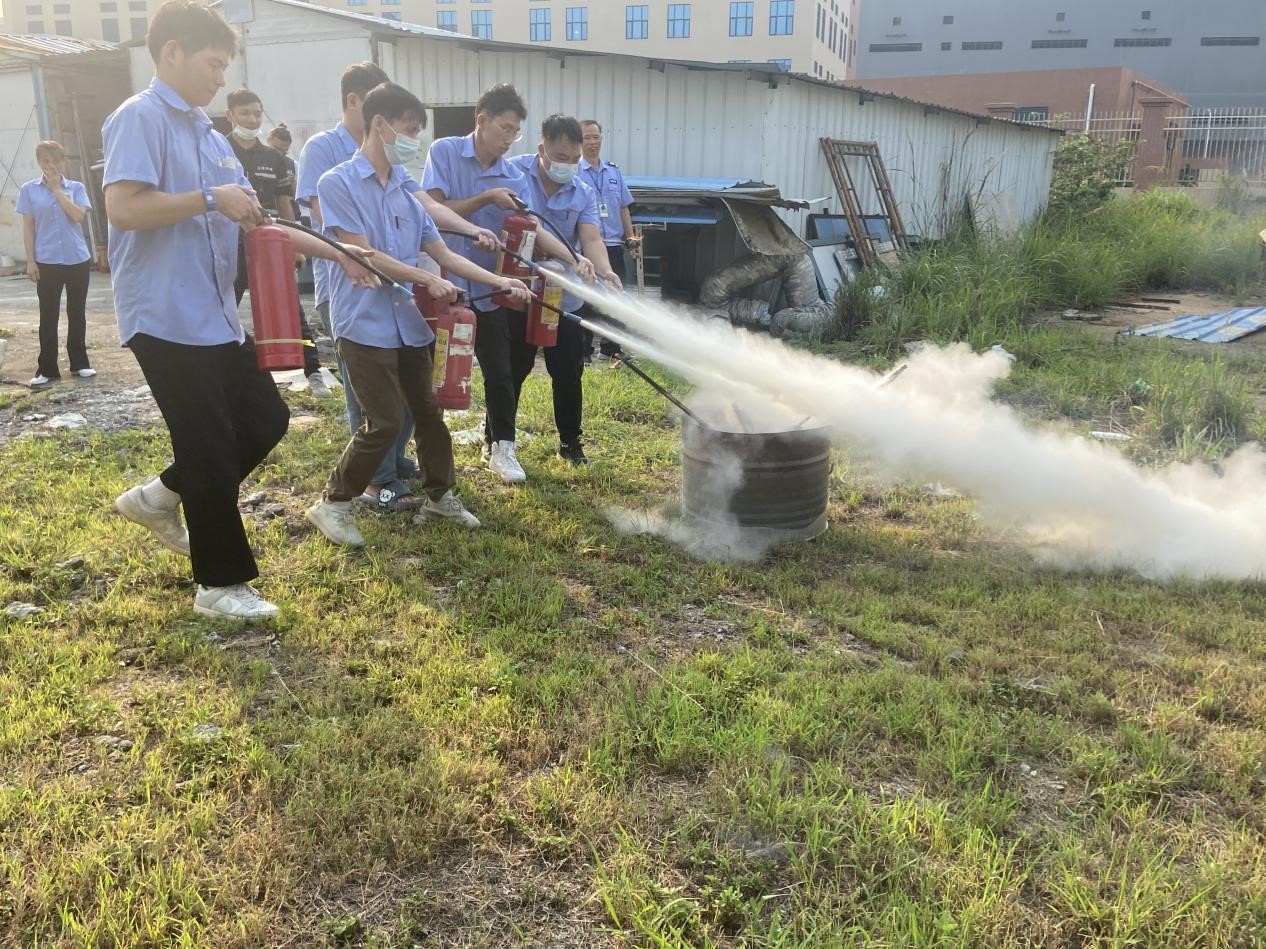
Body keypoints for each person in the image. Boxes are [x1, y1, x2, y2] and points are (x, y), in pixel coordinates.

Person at [105, 0, 378, 619]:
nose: (221, 78)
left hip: (215, 315)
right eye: (213, 63)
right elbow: (123, 208)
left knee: (265, 419)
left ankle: (160, 495)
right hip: (164, 314)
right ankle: (219, 584)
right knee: (206, 443)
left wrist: (340, 255)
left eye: (225, 66)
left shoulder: (210, 135)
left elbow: (262, 222)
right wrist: (208, 198)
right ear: (172, 51)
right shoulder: (138, 118)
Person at [306, 82, 531, 547]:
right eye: (409, 130)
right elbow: (363, 254)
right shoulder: (337, 183)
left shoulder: (408, 194)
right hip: (361, 324)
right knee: (385, 420)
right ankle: (333, 503)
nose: (413, 142)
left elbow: (444, 254)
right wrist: (424, 279)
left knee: (429, 413)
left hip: (406, 324)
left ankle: (439, 496)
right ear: (380, 125)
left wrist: (500, 282)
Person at [422, 84, 597, 483]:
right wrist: (484, 201)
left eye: (514, 131)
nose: (508, 139)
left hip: (492, 287)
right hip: (445, 284)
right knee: (435, 372)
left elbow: (531, 226)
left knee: (502, 371)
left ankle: (501, 448)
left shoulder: (512, 174)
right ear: (481, 122)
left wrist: (573, 257)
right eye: (504, 128)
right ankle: (419, 451)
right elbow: (431, 210)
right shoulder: (445, 152)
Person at [508, 114, 621, 467]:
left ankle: (571, 444)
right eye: (561, 158)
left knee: (569, 369)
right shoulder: (515, 175)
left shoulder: (582, 191)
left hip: (563, 295)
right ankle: (498, 440)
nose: (569, 166)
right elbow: (533, 227)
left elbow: (591, 237)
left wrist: (604, 270)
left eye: (574, 160)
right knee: (512, 369)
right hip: (519, 290)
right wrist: (572, 258)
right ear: (541, 149)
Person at [224, 87, 329, 397]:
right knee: (224, 304)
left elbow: (285, 205)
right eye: (245, 113)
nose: (252, 119)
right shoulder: (219, 151)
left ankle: (312, 367)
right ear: (230, 115)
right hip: (229, 242)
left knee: (291, 308)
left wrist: (294, 245)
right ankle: (230, 370)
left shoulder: (274, 158)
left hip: (268, 243)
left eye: (257, 113)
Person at [18, 140, 95, 387]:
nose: (50, 166)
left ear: (63, 162)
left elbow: (78, 216)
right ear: (39, 162)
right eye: (45, 161)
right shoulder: (28, 190)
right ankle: (47, 368)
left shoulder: (76, 187)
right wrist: (31, 261)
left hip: (77, 259)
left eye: (54, 161)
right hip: (47, 260)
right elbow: (29, 228)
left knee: (77, 312)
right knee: (48, 315)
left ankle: (80, 363)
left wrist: (57, 191)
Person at [579, 119, 639, 360]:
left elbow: (624, 208)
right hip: (586, 247)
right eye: (587, 137)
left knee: (616, 296)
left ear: (602, 138)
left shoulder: (613, 172)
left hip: (613, 245)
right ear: (579, 141)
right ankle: (583, 350)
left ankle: (611, 349)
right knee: (586, 299)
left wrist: (631, 237)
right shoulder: (574, 172)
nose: (593, 142)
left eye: (596, 137)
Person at [266, 123, 298, 221]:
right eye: (276, 149)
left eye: (284, 152)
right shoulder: (259, 160)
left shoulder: (293, 164)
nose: (279, 155)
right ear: (269, 141)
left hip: (289, 216)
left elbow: (299, 195)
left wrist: (292, 184)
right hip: (267, 215)